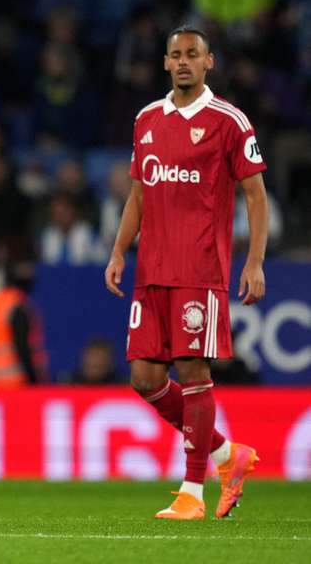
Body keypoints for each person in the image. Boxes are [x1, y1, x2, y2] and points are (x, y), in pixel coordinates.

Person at [105, 26, 268, 521]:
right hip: (151, 269)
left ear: (209, 62)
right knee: (144, 378)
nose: (183, 62)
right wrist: (118, 252)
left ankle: (192, 493)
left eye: (192, 55)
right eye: (175, 55)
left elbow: (256, 196)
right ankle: (225, 454)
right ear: (164, 62)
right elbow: (138, 193)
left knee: (194, 372)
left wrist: (255, 261)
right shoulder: (147, 119)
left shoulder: (229, 121)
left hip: (201, 268)